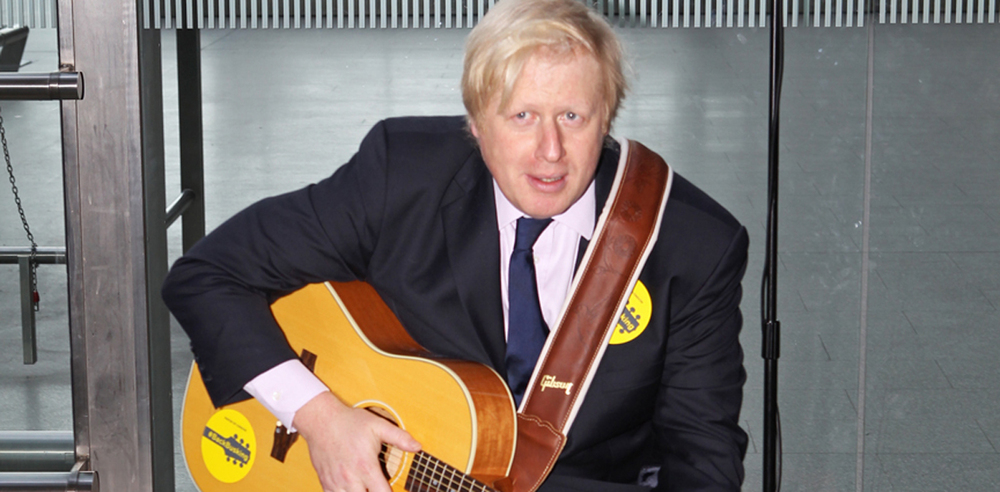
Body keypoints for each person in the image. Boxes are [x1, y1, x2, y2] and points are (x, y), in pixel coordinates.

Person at [162, 0, 749, 490]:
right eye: (522, 116)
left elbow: (704, 462)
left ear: (608, 117)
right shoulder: (402, 175)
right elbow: (208, 275)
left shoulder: (691, 246)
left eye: (573, 116)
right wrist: (319, 417)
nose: (550, 151)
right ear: (475, 123)